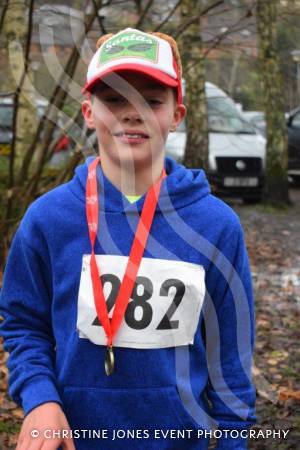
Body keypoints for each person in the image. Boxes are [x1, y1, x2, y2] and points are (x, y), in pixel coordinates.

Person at [0, 28, 256, 450]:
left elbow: (231, 361)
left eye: (152, 100)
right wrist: (39, 398)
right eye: (115, 99)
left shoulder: (216, 226)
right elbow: (24, 324)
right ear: (87, 111)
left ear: (177, 115)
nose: (132, 112)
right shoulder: (47, 219)